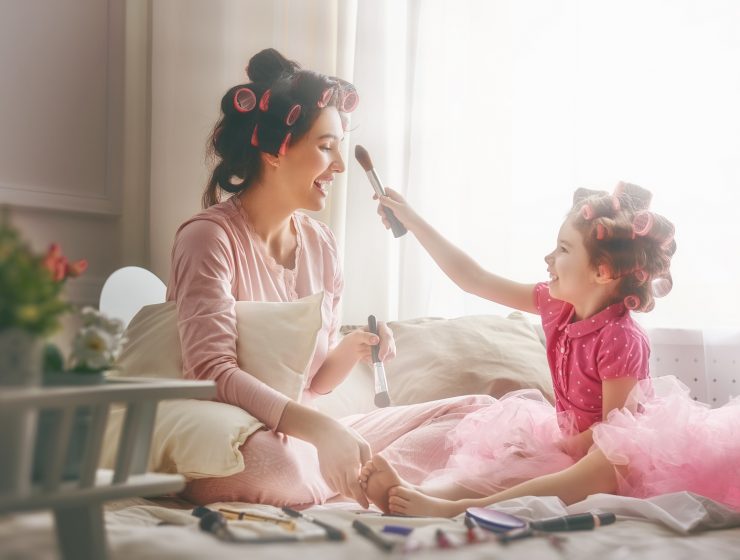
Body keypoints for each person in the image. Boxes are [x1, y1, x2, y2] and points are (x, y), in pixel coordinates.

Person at [167, 48, 497, 508]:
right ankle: (369, 478)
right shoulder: (208, 239)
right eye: (326, 147)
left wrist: (350, 349)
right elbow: (210, 373)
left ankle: (360, 475)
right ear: (274, 151)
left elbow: (312, 383)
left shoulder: (322, 246)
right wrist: (323, 430)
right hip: (235, 436)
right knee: (276, 466)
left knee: (477, 414)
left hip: (301, 436)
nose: (340, 166)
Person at [357, 182, 738, 517]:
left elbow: (616, 432)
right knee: (513, 458)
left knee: (608, 460)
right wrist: (412, 219)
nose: (548, 258)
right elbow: (473, 279)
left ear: (602, 272)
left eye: (563, 249)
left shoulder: (622, 337)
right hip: (571, 443)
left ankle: (454, 509)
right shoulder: (556, 306)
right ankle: (423, 494)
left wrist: (568, 446)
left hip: (610, 452)